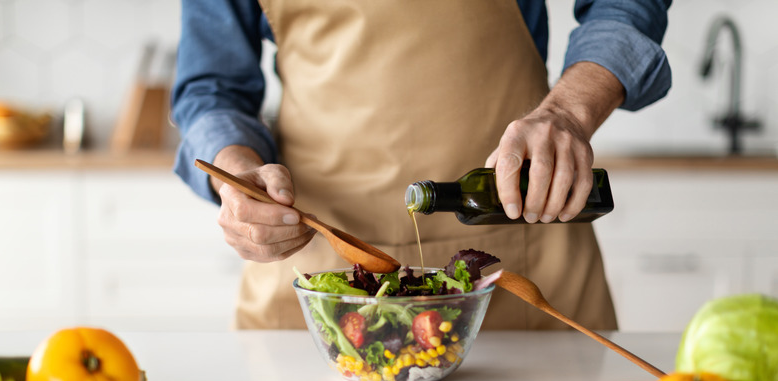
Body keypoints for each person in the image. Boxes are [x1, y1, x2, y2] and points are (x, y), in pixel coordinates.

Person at [172, 0, 672, 330]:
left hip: (525, 261)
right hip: (317, 269)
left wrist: (566, 112)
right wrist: (238, 175)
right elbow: (212, 87)